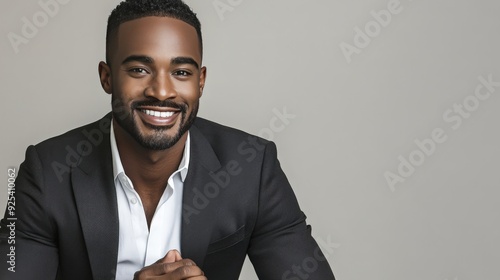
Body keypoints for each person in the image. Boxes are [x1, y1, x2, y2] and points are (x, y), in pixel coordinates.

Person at [0, 0, 336, 279]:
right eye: (139, 70)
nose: (161, 91)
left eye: (181, 72)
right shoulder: (44, 172)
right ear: (107, 77)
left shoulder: (252, 167)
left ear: (200, 81)